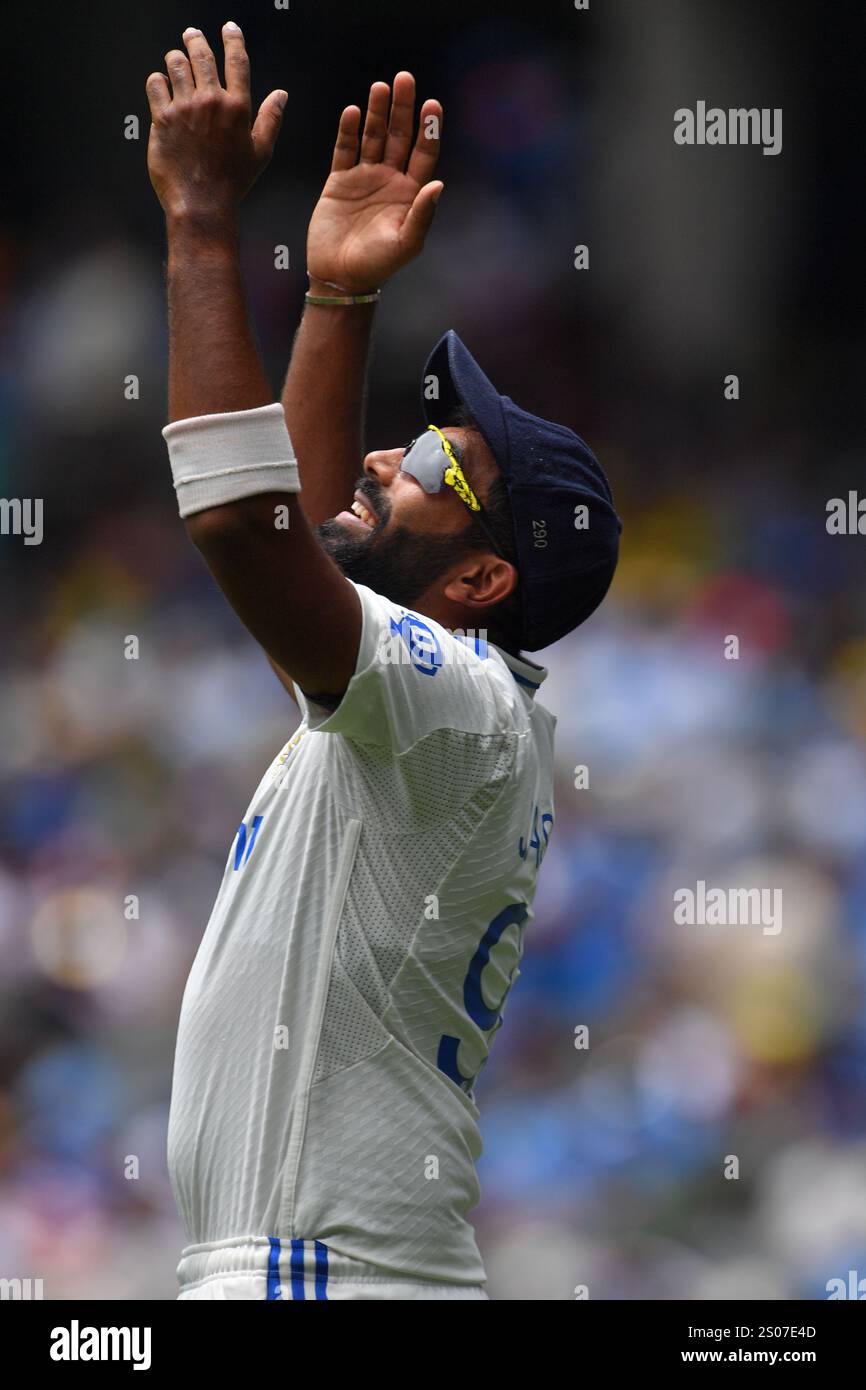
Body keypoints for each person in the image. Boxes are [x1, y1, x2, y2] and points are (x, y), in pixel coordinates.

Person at [146, 21, 620, 1300]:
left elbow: (251, 529)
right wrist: (338, 294)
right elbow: (301, 540)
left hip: (326, 1280)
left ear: (479, 582)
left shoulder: (455, 705)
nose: (381, 455)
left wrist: (199, 224)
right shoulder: (428, 713)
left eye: (428, 465)